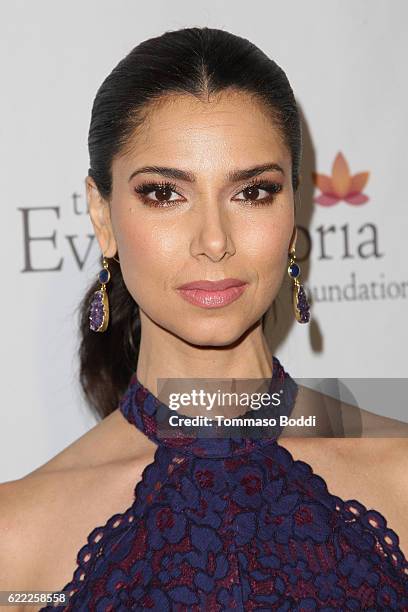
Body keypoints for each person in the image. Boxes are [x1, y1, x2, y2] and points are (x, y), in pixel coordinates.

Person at [1, 26, 407, 611]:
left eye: (253, 192)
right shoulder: (14, 540)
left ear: (295, 208)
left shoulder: (402, 477)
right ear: (103, 215)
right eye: (165, 194)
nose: (214, 241)